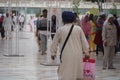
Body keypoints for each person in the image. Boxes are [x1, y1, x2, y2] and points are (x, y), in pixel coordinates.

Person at [51, 11, 90, 80]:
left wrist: (53, 53)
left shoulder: (60, 30)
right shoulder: (78, 29)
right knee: (76, 72)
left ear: (63, 19)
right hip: (77, 55)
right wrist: (87, 53)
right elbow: (84, 42)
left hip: (66, 55)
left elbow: (54, 43)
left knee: (65, 72)